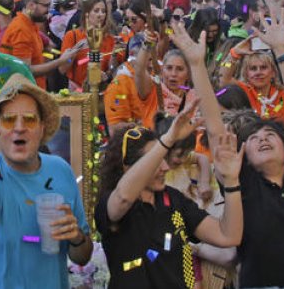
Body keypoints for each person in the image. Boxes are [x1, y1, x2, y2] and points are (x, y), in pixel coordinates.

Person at [171, 12, 284, 286]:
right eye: (254, 139)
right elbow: (215, 127)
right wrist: (196, 65)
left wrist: (282, 50)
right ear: (244, 154)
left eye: (270, 133)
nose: (263, 138)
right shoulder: (241, 182)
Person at [0, 73, 93, 288]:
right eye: (9, 120)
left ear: (41, 128)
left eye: (29, 119)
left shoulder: (61, 171)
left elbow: (82, 256)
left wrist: (76, 237)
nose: (19, 127)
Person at [95, 102, 244, 287]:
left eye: (164, 159)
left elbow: (228, 235)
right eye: (156, 161)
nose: (165, 167)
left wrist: (231, 182)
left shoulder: (173, 198)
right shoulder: (109, 202)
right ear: (128, 167)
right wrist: (168, 139)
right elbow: (123, 198)